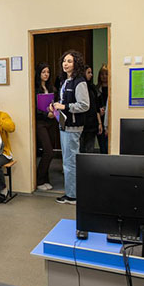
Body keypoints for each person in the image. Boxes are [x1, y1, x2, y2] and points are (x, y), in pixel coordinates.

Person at [51, 50, 89, 205]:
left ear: (76, 64)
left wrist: (65, 106)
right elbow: (64, 101)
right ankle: (72, 192)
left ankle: (72, 196)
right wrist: (56, 106)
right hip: (64, 125)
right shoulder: (64, 81)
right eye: (64, 61)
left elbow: (84, 105)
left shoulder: (79, 82)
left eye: (69, 61)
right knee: (68, 161)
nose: (65, 64)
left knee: (70, 162)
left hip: (73, 127)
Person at [35, 63, 57, 191]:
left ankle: (45, 179)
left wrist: (54, 112)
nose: (46, 74)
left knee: (50, 151)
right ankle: (39, 180)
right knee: (48, 152)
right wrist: (46, 114)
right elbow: (34, 109)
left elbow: (56, 103)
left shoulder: (51, 88)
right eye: (43, 72)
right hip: (40, 122)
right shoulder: (35, 89)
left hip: (51, 122)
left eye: (48, 72)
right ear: (39, 73)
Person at [80, 66, 102, 153]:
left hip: (92, 123)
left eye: (91, 72)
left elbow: (96, 107)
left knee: (90, 149)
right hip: (82, 123)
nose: (91, 75)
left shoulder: (92, 87)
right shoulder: (79, 87)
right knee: (80, 149)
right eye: (88, 72)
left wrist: (99, 123)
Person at [96, 64, 108, 153]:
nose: (104, 76)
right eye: (102, 74)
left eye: (106, 74)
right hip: (99, 118)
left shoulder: (112, 88)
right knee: (102, 144)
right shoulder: (96, 89)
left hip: (108, 119)